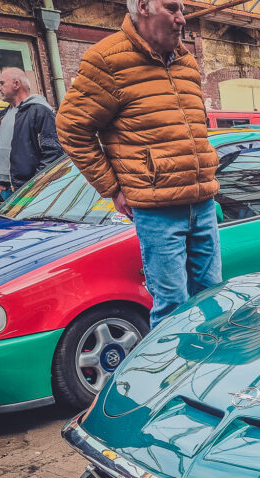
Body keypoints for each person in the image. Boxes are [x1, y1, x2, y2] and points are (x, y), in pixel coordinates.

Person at [56, 0, 221, 328]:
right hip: (157, 210)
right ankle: (170, 364)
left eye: (182, 10)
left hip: (202, 203)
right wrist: (113, 188)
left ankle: (209, 362)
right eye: (172, 8)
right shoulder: (107, 60)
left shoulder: (186, 62)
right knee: (173, 308)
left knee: (212, 298)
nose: (182, 19)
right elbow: (71, 129)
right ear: (144, 6)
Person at [0, 67, 63, 199]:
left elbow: (54, 152)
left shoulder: (39, 111)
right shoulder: (2, 116)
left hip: (29, 191)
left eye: (2, 83)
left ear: (16, 84)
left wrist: (33, 185)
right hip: (5, 190)